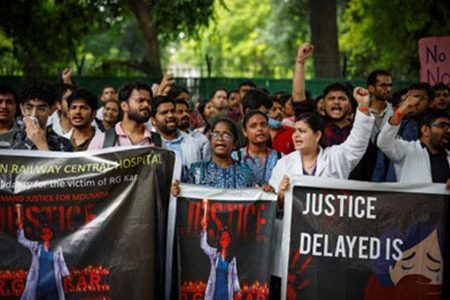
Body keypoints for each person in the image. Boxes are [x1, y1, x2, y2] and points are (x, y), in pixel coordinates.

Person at [270, 86, 374, 204]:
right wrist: (281, 196)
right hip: (293, 222)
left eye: (302, 131)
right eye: (295, 131)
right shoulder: (284, 163)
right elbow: (273, 203)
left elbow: (357, 144)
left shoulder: (335, 157)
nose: (295, 135)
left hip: (330, 221)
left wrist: (364, 107)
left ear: (317, 135)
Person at [377, 105, 450, 183]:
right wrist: (399, 112)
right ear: (425, 130)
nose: (448, 131)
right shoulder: (407, 150)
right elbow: (384, 142)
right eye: (442, 126)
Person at [16, 204, 70, 300]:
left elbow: (61, 262)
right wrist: (20, 228)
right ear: (41, 235)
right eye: (43, 233)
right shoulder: (36, 246)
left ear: (51, 234)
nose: (46, 234)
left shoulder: (57, 248)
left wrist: (66, 275)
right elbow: (22, 240)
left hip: (52, 280)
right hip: (38, 279)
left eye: (48, 232)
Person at [88, 82, 162, 149]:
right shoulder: (102, 140)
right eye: (140, 100)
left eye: (149, 102)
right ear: (124, 106)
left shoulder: (158, 142)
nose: (146, 105)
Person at [11, 81, 73, 151]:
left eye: (41, 109)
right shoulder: (11, 139)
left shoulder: (64, 144)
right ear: (22, 108)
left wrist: (42, 144)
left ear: (51, 110)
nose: (34, 114)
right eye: (29, 108)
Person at [200, 199, 241, 300]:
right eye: (223, 238)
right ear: (219, 240)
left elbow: (234, 276)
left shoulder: (232, 258)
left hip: (226, 292)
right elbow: (203, 245)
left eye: (227, 238)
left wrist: (237, 290)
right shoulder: (214, 254)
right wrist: (204, 229)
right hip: (214, 290)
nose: (225, 240)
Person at [151, 96, 201, 169]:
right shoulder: (147, 143)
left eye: (173, 111)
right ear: (153, 119)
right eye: (164, 113)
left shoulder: (192, 142)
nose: (170, 115)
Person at [232, 110, 280, 185]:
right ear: (245, 132)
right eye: (253, 126)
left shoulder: (279, 157)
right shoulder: (235, 157)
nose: (260, 129)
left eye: (263, 125)